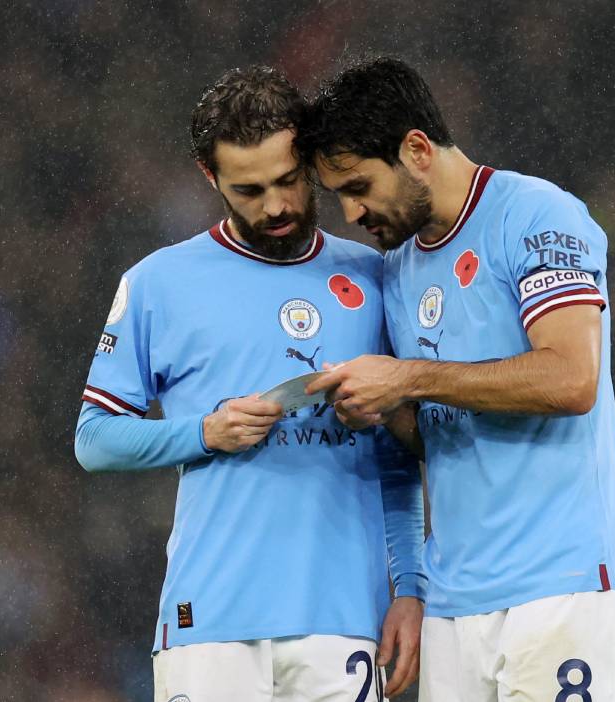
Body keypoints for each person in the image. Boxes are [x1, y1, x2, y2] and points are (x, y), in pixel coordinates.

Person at [298, 57, 615, 701]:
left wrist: (408, 377)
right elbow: (437, 434)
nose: (351, 213)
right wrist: (381, 407)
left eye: (358, 186)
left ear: (416, 149)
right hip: (455, 599)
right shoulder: (399, 269)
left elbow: (573, 379)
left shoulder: (539, 216)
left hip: (562, 586)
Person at [73, 65, 425, 702]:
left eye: (289, 180)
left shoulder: (377, 277)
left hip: (342, 619)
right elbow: (95, 440)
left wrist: (412, 590)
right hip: (210, 618)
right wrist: (205, 432)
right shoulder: (157, 283)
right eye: (250, 189)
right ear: (212, 179)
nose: (276, 205)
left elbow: (400, 463)